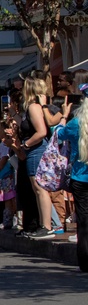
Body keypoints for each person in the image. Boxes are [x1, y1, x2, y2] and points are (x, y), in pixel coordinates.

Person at [15, 76, 51, 237]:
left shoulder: (33, 107)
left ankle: (46, 226)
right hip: (32, 150)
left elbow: (41, 131)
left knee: (39, 188)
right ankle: (41, 224)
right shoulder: (29, 107)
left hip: (36, 149)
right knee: (36, 189)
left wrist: (27, 143)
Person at [59, 99, 88, 271]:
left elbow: (59, 133)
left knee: (84, 221)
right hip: (80, 178)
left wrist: (63, 115)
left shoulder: (75, 123)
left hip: (80, 177)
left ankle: (84, 262)